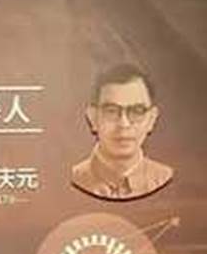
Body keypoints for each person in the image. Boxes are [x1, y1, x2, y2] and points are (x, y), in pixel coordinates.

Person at [70, 63, 174, 201]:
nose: (124, 124)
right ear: (93, 117)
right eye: (111, 111)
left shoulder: (166, 179)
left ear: (151, 119)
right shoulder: (71, 179)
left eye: (137, 111)